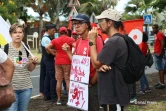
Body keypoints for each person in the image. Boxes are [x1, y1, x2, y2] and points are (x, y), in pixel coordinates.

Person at [88, 9, 130, 111]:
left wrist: (92, 42)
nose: (98, 24)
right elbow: (103, 63)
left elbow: (96, 63)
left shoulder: (114, 41)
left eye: (101, 21)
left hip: (113, 95)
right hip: (113, 93)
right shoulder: (116, 40)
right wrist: (101, 66)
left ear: (110, 22)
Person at [62, 14, 103, 111]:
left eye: (79, 23)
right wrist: (68, 52)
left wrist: (93, 81)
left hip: (92, 84)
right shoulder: (78, 41)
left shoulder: (96, 39)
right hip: (80, 84)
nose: (76, 26)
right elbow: (77, 63)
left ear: (87, 25)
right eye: (75, 23)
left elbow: (101, 63)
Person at [3, 23, 38, 111]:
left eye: (20, 32)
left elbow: (30, 69)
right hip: (10, 89)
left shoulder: (27, 48)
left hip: (26, 88)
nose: (18, 35)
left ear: (23, 34)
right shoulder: (5, 49)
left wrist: (33, 63)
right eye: (15, 32)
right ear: (11, 35)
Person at [46, 26, 74, 105]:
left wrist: (53, 53)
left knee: (59, 81)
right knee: (67, 80)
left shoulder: (55, 40)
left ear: (59, 32)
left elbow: (47, 47)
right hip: (67, 61)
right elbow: (76, 46)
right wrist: (73, 54)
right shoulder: (70, 39)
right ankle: (69, 99)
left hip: (58, 61)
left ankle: (59, 99)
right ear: (66, 32)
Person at [41, 24, 57, 101]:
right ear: (49, 30)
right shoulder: (46, 39)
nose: (54, 32)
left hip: (47, 59)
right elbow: (49, 50)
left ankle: (47, 94)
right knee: (52, 77)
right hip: (49, 59)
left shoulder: (47, 38)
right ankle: (52, 95)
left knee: (48, 77)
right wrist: (55, 52)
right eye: (53, 30)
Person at [152, 24, 165, 89]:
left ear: (157, 28)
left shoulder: (159, 34)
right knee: (159, 68)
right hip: (156, 53)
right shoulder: (157, 35)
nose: (153, 29)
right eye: (153, 28)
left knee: (161, 68)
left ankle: (162, 83)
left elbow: (163, 43)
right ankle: (160, 82)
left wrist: (159, 52)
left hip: (158, 53)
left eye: (154, 28)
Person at [39, 28, 46, 97]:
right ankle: (42, 91)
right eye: (43, 32)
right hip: (44, 57)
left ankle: (44, 91)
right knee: (42, 75)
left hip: (45, 58)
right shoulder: (44, 39)